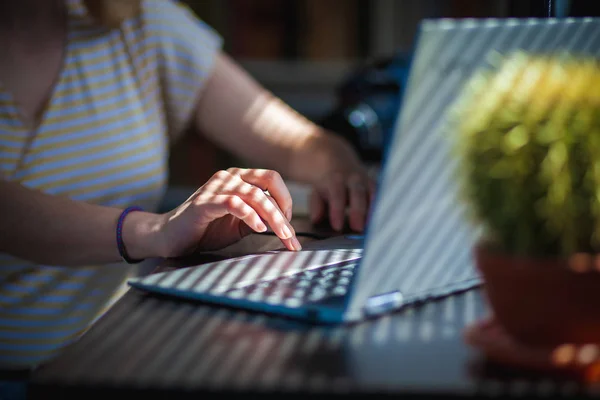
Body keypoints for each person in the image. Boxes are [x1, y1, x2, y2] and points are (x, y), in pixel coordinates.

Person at [0, 0, 375, 369]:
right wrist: (155, 229)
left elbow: (293, 141)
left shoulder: (141, 24)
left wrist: (337, 167)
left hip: (108, 356)